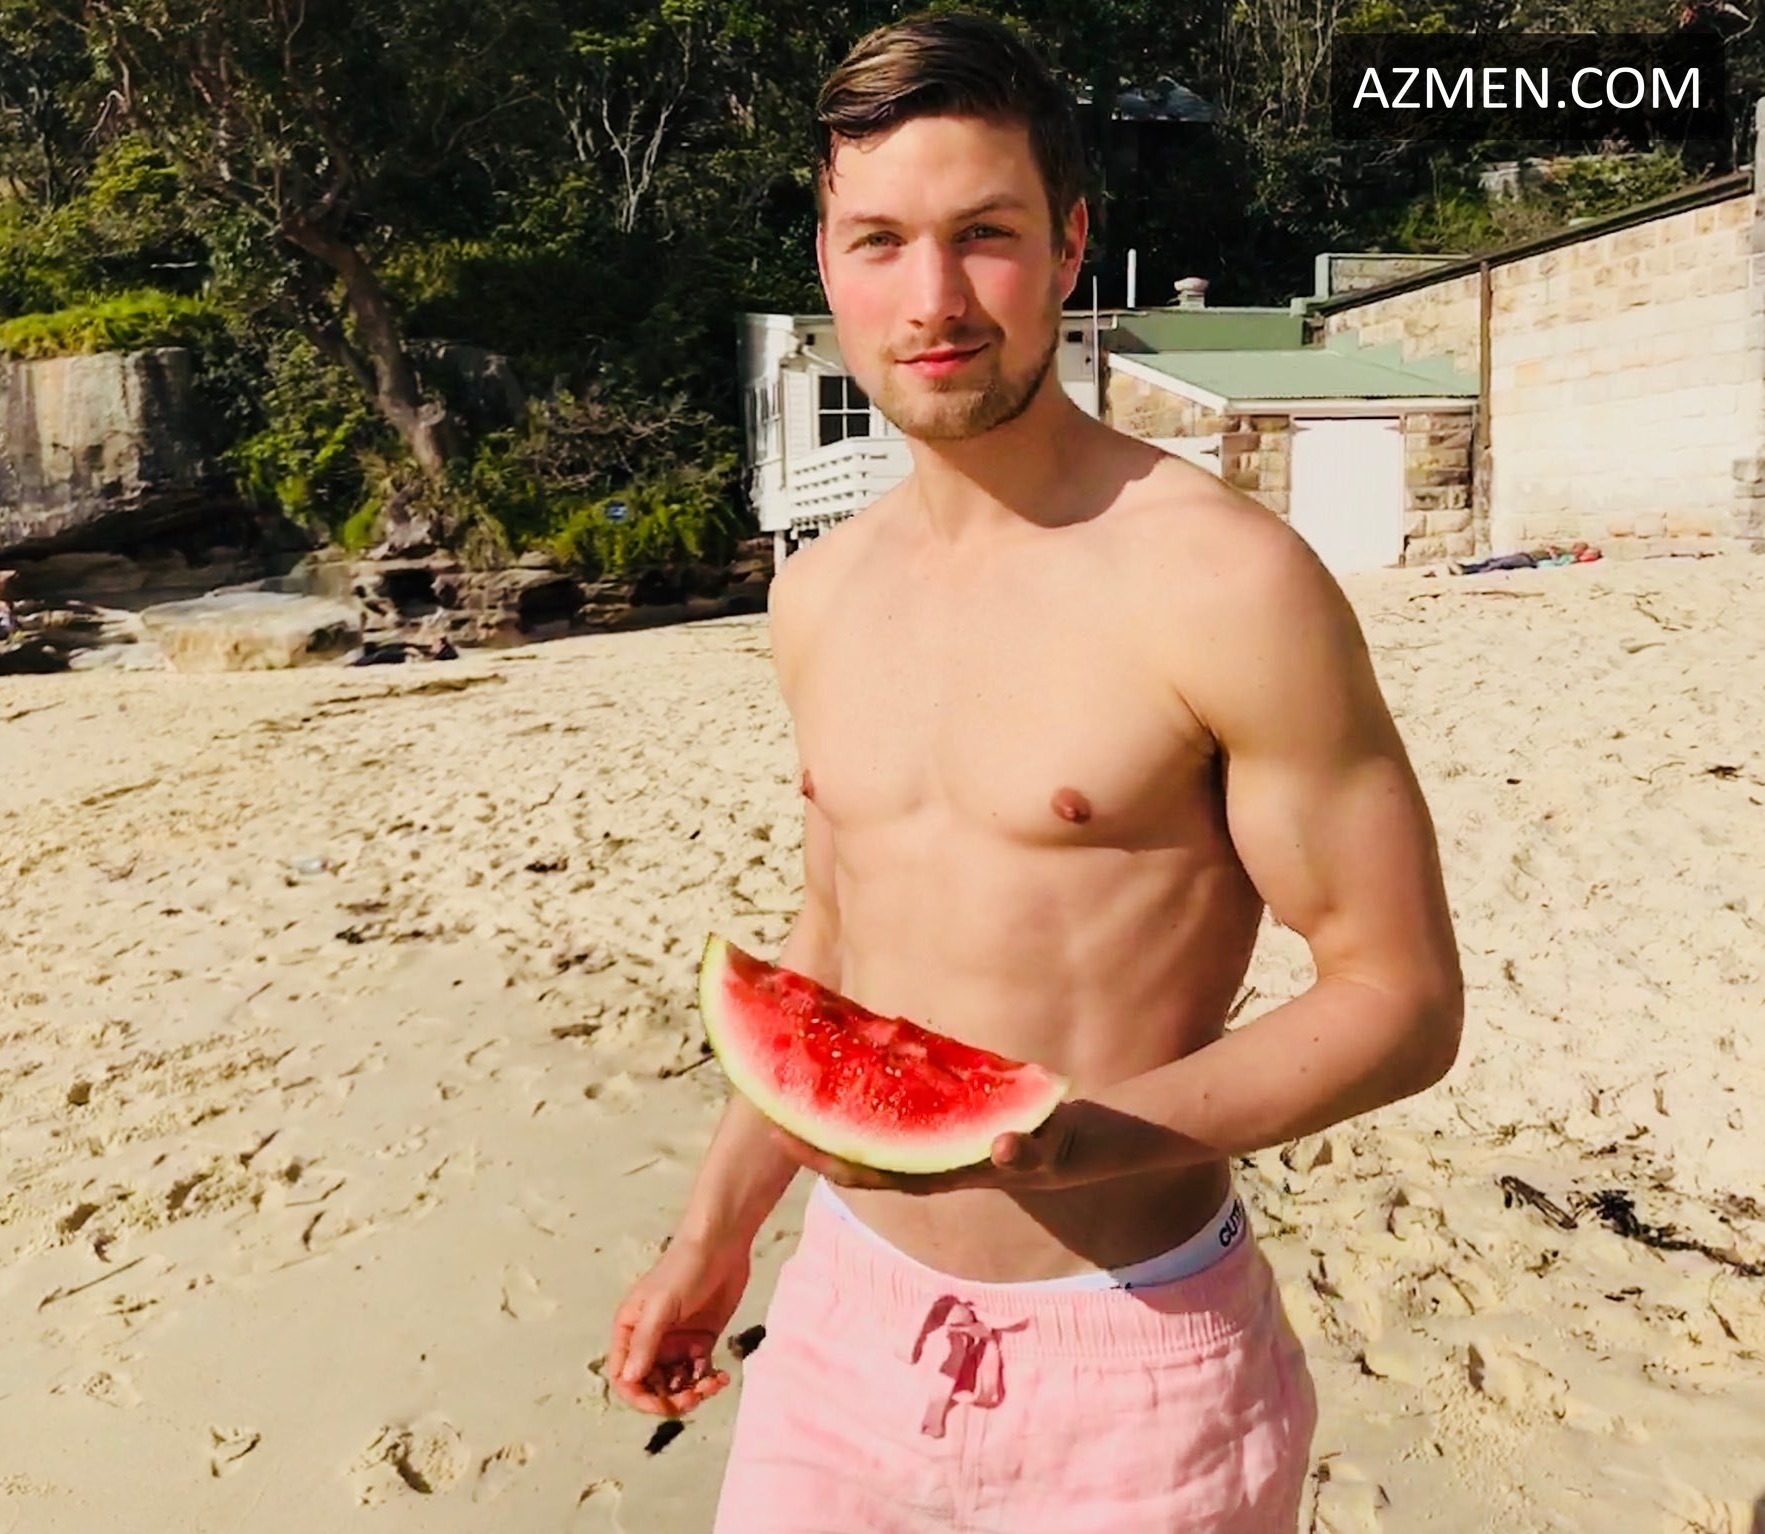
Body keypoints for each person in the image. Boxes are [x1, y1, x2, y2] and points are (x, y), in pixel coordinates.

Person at [606, 11, 1465, 1532]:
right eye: (879, 241)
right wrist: (714, 1232)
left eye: (984, 235)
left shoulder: (1225, 583)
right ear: (826, 265)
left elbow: (1398, 997)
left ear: (1070, 245)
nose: (932, 299)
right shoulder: (817, 594)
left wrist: (1079, 1139)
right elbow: (834, 948)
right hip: (840, 1327)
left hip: (1132, 1360)